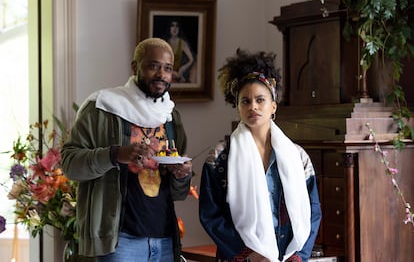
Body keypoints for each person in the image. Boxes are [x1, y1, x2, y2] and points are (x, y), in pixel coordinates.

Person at [61, 37, 193, 262]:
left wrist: (182, 175)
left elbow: (178, 193)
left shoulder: (170, 117)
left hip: (165, 240)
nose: (161, 74)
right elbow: (70, 165)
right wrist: (115, 155)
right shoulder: (102, 107)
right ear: (135, 67)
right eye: (153, 66)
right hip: (120, 241)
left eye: (168, 68)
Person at [199, 49, 321, 262]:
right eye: (245, 101)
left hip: (288, 256)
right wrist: (249, 255)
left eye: (260, 100)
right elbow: (211, 214)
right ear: (238, 108)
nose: (253, 106)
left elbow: (313, 211)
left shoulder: (298, 157)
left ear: (273, 106)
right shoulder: (220, 157)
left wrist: (299, 255)